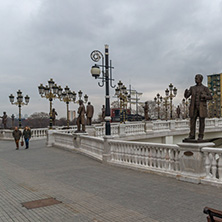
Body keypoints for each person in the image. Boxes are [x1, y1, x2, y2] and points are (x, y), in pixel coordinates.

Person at [184, 74, 212, 141]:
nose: (195, 79)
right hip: (194, 108)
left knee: (202, 122)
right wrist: (186, 93)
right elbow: (187, 96)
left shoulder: (205, 88)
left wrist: (205, 97)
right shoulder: (192, 88)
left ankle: (201, 136)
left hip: (202, 108)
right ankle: (192, 135)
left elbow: (210, 97)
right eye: (195, 78)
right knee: (192, 121)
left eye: (197, 78)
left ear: (201, 79)